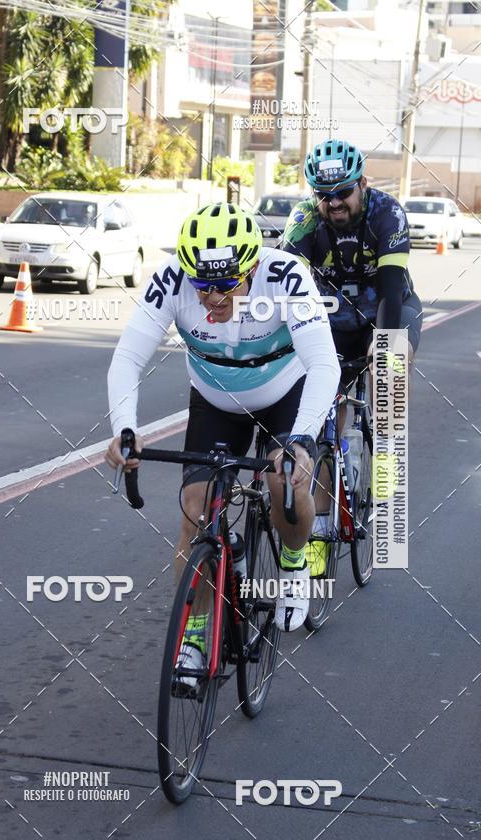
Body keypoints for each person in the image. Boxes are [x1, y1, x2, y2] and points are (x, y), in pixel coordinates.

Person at [105, 202, 340, 677]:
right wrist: (124, 429)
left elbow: (324, 365)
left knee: (286, 484)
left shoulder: (287, 276)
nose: (212, 297)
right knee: (196, 511)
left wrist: (301, 441)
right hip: (215, 399)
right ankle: (194, 636)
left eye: (226, 285)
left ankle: (294, 561)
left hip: (284, 393)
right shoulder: (172, 278)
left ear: (252, 266)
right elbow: (127, 357)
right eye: (202, 286)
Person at [282, 139, 421, 571]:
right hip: (332, 317)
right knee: (323, 420)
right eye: (325, 195)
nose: (335, 203)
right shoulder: (305, 218)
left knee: (389, 368)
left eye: (343, 192)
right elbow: (284, 280)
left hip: (385, 304)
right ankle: (322, 528)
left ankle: (386, 453)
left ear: (362, 183)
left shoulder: (387, 213)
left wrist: (382, 346)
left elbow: (393, 291)